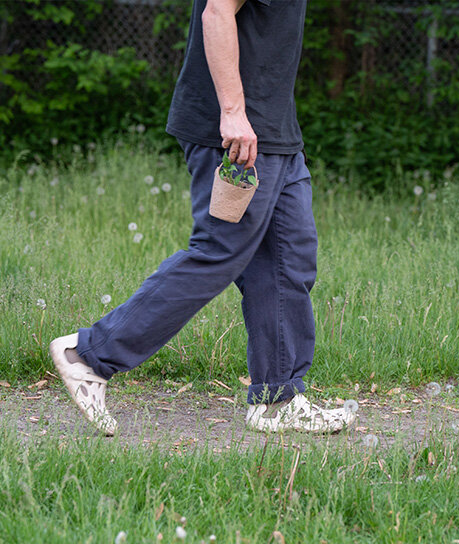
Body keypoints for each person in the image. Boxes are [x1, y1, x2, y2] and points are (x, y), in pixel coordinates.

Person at [49, 0, 354, 435]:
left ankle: (276, 399)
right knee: (218, 253)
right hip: (237, 136)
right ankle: (89, 355)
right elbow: (217, 11)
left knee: (289, 262)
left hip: (277, 134)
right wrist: (232, 113)